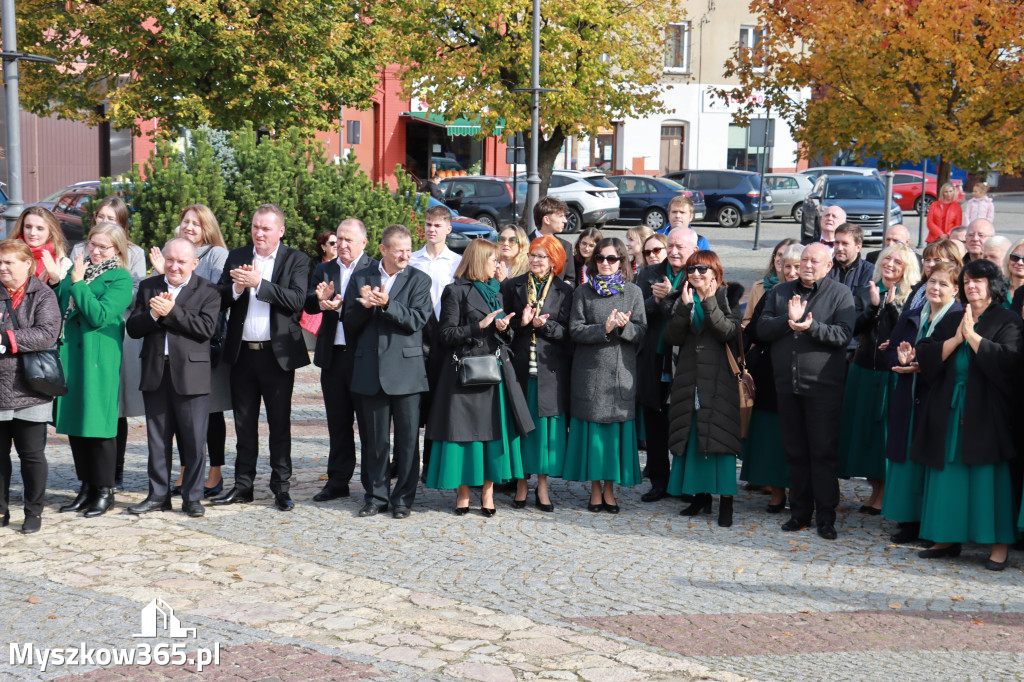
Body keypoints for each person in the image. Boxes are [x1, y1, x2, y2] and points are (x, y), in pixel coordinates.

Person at [911, 258, 1022, 571]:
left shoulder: (1008, 320)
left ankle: (998, 546)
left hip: (986, 411)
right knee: (949, 474)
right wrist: (957, 338)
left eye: (979, 281)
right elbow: (927, 351)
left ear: (992, 286)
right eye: (968, 281)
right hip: (949, 406)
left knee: (989, 478)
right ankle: (946, 537)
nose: (972, 286)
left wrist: (973, 338)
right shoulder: (955, 316)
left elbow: (1010, 364)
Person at [212, 204, 310, 512]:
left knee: (279, 424)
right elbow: (219, 297)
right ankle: (243, 485)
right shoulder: (239, 256)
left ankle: (281, 486)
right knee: (244, 424)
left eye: (266, 228)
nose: (259, 233)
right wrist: (238, 288)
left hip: (276, 354)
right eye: (255, 227)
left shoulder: (296, 259)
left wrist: (260, 285)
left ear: (280, 231)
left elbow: (297, 300)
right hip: (243, 354)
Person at [425, 239, 534, 515]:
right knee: (462, 434)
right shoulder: (455, 291)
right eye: (493, 260)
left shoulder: (496, 292)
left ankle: (487, 493)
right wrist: (478, 326)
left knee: (491, 434)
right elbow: (445, 335)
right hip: (463, 373)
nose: (498, 266)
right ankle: (463, 493)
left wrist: (505, 327)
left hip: (492, 372)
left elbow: (503, 337)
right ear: (478, 261)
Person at [757, 243, 856, 540]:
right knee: (795, 452)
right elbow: (761, 329)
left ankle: (826, 516)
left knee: (823, 453)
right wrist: (788, 322)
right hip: (787, 385)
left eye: (815, 261)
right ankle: (799, 513)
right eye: (804, 260)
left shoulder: (840, 294)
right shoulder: (781, 292)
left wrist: (809, 327)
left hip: (823, 388)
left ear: (828, 266)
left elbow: (843, 335)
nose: (808, 265)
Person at [125, 237, 221, 518]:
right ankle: (158, 495)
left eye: (181, 261)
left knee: (193, 441)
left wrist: (172, 312)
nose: (174, 266)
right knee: (157, 440)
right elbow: (133, 328)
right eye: (170, 260)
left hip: (192, 375)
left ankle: (193, 497)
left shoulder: (208, 291)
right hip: (155, 372)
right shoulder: (148, 286)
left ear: (194, 263)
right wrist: (154, 314)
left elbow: (205, 329)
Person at [344, 224, 433, 519]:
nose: (405, 255)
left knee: (408, 442)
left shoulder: (420, 279)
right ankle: (376, 496)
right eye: (399, 251)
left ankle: (403, 499)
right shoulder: (361, 277)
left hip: (407, 373)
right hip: (370, 370)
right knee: (375, 441)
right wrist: (365, 306)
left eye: (409, 250)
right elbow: (349, 321)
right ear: (383, 250)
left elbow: (417, 320)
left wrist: (387, 305)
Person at [55, 222, 134, 517]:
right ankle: (86, 486)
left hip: (99, 358)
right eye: (92, 244)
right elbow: (61, 304)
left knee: (98, 424)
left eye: (103, 246)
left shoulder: (120, 278)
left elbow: (99, 315)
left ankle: (105, 489)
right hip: (73, 355)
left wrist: (76, 284)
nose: (96, 251)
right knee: (76, 421)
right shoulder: (79, 270)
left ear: (117, 249)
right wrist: (63, 280)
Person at [152, 204, 231, 497]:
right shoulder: (171, 250)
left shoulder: (217, 254)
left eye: (196, 224)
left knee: (211, 412)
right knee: (182, 415)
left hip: (205, 343)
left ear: (207, 227)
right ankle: (186, 470)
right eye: (186, 221)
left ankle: (215, 472)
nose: (190, 227)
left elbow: (212, 295)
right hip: (172, 346)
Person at [563, 238, 647, 513]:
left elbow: (642, 332)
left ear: (622, 261)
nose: (605, 263)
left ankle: (610, 490)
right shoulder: (582, 292)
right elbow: (574, 330)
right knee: (594, 434)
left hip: (620, 373)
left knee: (614, 437)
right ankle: (595, 491)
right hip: (590, 373)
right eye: (600, 258)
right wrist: (604, 328)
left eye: (611, 258)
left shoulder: (633, 292)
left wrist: (624, 329)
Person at [70, 197, 147, 493]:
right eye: (101, 216)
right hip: (81, 340)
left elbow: (132, 291)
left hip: (117, 331)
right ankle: (90, 481)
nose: (105, 221)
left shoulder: (131, 255)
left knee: (114, 406)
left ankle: (112, 473)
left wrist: (95, 296)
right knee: (85, 405)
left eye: (112, 218)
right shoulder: (81, 251)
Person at [882, 261, 962, 544]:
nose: (935, 288)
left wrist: (921, 364)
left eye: (943, 284)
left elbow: (955, 361)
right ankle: (907, 520)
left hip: (935, 396)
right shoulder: (913, 314)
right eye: (932, 281)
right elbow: (891, 349)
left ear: (955, 289)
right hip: (907, 393)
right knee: (906, 459)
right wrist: (899, 362)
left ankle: (930, 524)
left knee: (929, 461)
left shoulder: (959, 318)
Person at [836, 243, 920, 514]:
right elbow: (854, 328)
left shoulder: (913, 296)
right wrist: (873, 306)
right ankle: (874, 491)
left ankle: (884, 494)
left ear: (906, 268)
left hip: (890, 374)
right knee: (864, 434)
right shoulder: (867, 290)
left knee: (884, 433)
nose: (890, 264)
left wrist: (893, 306)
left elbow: (905, 334)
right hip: (862, 369)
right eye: (887, 259)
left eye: (898, 261)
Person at [663, 250, 742, 527]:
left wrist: (708, 303)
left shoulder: (727, 296)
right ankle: (700, 496)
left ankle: (727, 502)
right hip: (689, 378)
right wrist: (684, 308)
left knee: (720, 440)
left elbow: (727, 332)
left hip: (720, 381)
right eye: (691, 269)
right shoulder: (681, 297)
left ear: (715, 273)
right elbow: (671, 337)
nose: (696, 274)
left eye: (702, 270)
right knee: (694, 435)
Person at [306, 218, 377, 503]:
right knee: (337, 423)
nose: (343, 245)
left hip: (363, 357)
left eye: (349, 240)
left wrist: (346, 306)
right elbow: (308, 301)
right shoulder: (325, 268)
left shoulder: (374, 269)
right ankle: (337, 480)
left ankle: (373, 482)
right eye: (339, 240)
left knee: (370, 425)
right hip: (333, 356)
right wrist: (321, 302)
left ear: (363, 242)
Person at [503, 235, 573, 511]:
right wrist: (521, 324)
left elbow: (568, 334)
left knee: (544, 433)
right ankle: (521, 484)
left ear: (554, 261)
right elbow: (505, 329)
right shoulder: (513, 286)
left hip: (550, 370)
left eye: (541, 256)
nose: (535, 260)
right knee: (521, 428)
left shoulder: (565, 292)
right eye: (532, 254)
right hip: (520, 367)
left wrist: (544, 326)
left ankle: (542, 487)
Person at [0, 240, 61, 534]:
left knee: (31, 455)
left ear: (27, 264)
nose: (2, 268)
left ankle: (33, 511)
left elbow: (47, 333)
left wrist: (6, 340)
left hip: (31, 388)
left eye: (8, 262)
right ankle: (0, 509)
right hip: (0, 386)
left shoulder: (43, 294)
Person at [635, 227, 698, 503]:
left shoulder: (700, 273)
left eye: (680, 247)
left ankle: (683, 483)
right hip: (653, 355)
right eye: (670, 245)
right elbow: (637, 310)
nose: (673, 251)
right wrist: (655, 299)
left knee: (682, 420)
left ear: (693, 250)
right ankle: (659, 480)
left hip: (684, 359)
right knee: (654, 421)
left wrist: (670, 296)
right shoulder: (648, 273)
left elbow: (693, 316)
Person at [740, 243, 803, 512]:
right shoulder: (774, 293)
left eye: (797, 267)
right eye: (786, 266)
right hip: (769, 374)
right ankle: (776, 492)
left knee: (797, 436)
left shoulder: (820, 294)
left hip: (801, 375)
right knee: (771, 437)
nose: (791, 272)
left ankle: (797, 491)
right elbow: (756, 329)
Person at [410, 206, 463, 476]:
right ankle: (405, 461)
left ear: (448, 229)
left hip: (445, 337)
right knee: (411, 403)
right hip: (416, 335)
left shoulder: (456, 263)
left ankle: (431, 463)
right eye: (428, 224)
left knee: (438, 401)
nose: (431, 230)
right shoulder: (411, 260)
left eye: (437, 225)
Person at [9, 207, 72, 286]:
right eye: (28, 227)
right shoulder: (6, 257)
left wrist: (54, 281)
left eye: (40, 228)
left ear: (51, 232)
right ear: (22, 228)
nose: (32, 233)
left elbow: (62, 296)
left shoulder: (62, 263)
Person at [742, 238, 797, 327]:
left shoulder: (797, 287)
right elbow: (747, 319)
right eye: (779, 255)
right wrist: (751, 329)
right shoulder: (758, 286)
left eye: (786, 255)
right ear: (774, 257)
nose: (781, 259)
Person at [528, 197, 575, 285]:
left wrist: (563, 288)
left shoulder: (565, 246)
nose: (565, 220)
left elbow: (570, 279)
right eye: (561, 216)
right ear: (546, 220)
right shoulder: (525, 243)